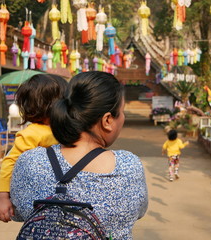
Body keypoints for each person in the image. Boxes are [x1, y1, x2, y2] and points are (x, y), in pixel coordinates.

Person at [10, 71, 148, 239]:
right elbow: (140, 211)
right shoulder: (128, 166)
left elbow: (17, 212)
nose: (124, 118)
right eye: (122, 111)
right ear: (107, 120)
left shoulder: (29, 161)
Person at [0, 74, 68, 223]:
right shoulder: (31, 134)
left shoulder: (64, 128)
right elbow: (9, 162)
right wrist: (3, 198)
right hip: (41, 200)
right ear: (52, 105)